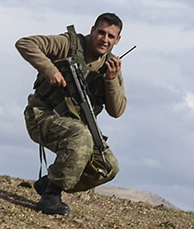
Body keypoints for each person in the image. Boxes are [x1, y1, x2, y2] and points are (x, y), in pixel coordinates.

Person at [15, 13, 127, 216]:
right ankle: (51, 197)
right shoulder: (69, 44)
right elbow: (25, 43)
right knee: (80, 135)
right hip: (41, 115)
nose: (105, 39)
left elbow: (117, 110)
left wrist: (111, 80)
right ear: (92, 30)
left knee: (108, 167)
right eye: (101, 32)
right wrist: (51, 71)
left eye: (111, 36)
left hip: (76, 126)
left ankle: (50, 182)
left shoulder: (112, 67)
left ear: (117, 40)